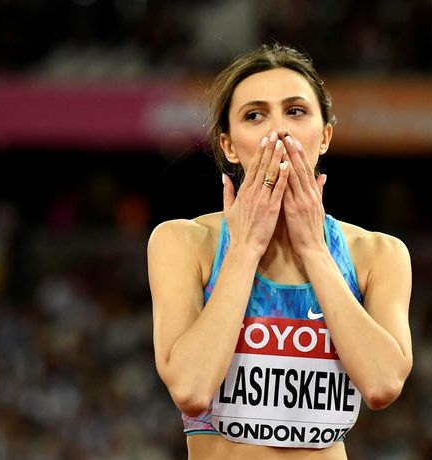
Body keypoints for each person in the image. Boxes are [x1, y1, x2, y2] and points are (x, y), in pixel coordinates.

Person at [148, 43, 412, 459]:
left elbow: (382, 385)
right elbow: (191, 389)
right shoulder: (184, 243)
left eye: (296, 111)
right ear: (229, 145)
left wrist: (314, 250)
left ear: (324, 136)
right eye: (254, 115)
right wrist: (244, 249)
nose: (279, 131)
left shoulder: (378, 254)